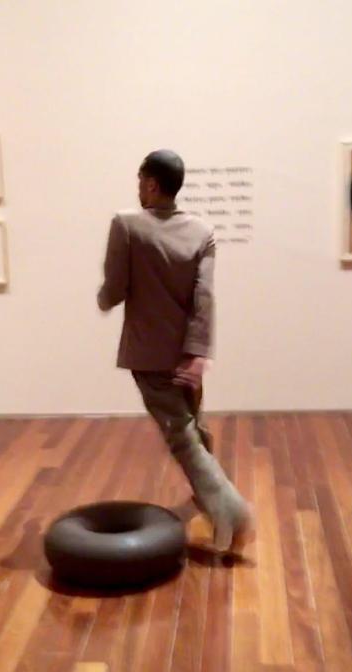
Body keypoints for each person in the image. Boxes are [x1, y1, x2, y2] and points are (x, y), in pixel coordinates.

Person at [97, 149, 253, 553]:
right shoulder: (202, 231)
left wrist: (103, 298)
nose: (138, 189)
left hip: (149, 354)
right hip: (186, 355)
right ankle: (210, 500)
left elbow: (114, 289)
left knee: (183, 438)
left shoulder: (126, 224)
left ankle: (230, 511)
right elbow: (205, 297)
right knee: (194, 427)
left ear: (151, 184)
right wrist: (198, 353)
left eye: (140, 181)